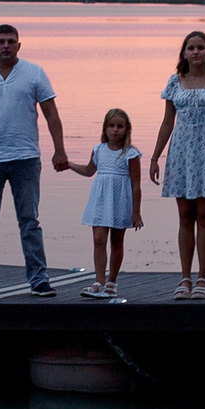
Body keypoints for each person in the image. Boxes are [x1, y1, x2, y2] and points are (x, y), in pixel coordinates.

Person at [0, 22, 69, 296]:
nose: (6, 45)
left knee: (29, 220)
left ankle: (39, 279)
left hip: (25, 158)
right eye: (1, 41)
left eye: (11, 41)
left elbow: (51, 113)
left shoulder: (34, 73)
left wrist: (59, 149)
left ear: (19, 45)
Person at [148, 29, 205, 302]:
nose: (196, 52)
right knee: (184, 216)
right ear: (184, 53)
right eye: (191, 48)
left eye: (201, 47)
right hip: (180, 151)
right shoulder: (175, 82)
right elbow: (167, 122)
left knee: (204, 216)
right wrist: (155, 156)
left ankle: (203, 277)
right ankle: (185, 277)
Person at [67, 107, 143, 298]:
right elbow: (88, 171)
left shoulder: (131, 154)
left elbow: (136, 184)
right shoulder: (98, 150)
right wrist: (69, 164)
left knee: (117, 242)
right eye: (111, 126)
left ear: (126, 129)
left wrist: (136, 212)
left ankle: (112, 282)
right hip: (100, 199)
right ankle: (99, 281)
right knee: (99, 239)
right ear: (105, 128)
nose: (115, 130)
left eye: (119, 126)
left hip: (120, 199)